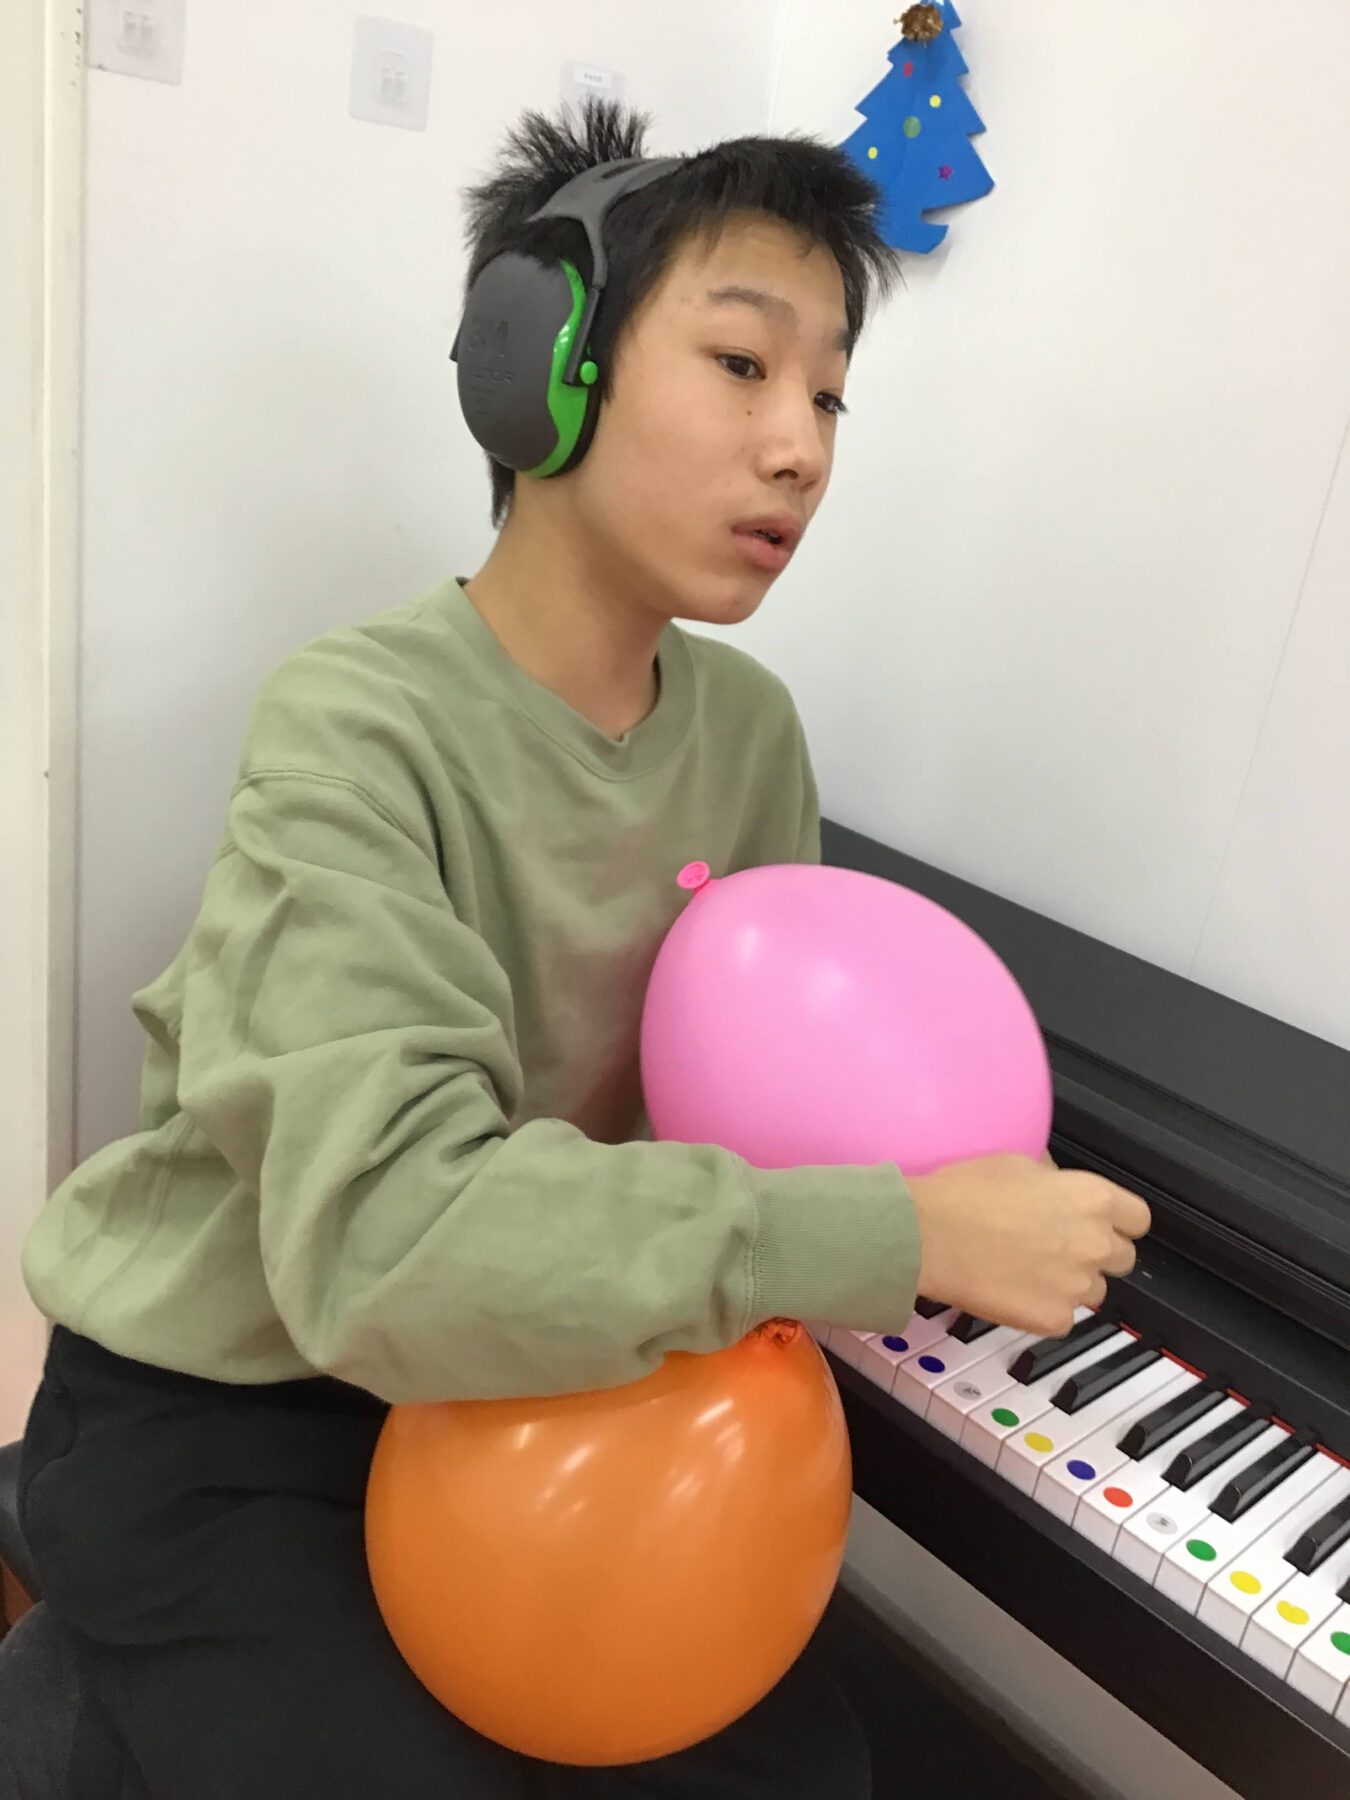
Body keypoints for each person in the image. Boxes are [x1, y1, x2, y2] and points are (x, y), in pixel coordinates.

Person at [17, 100, 1150, 1798]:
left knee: (806, 1775)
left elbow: (752, 1110)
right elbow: (386, 1238)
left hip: (538, 1388)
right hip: (247, 1401)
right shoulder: (356, 722)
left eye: (828, 394)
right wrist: (906, 1230)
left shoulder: (749, 734)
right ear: (538, 368)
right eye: (742, 365)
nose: (801, 448)